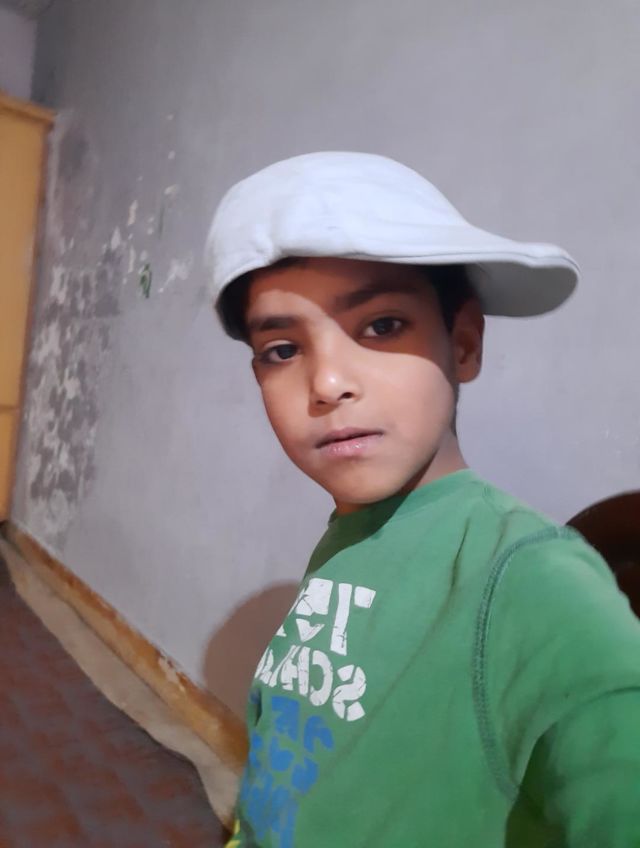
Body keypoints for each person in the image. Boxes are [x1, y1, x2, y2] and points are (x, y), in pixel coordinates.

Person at [205, 152, 640, 847]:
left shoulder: (534, 580)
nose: (328, 384)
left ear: (462, 343)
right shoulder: (360, 530)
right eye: (283, 349)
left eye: (381, 325)